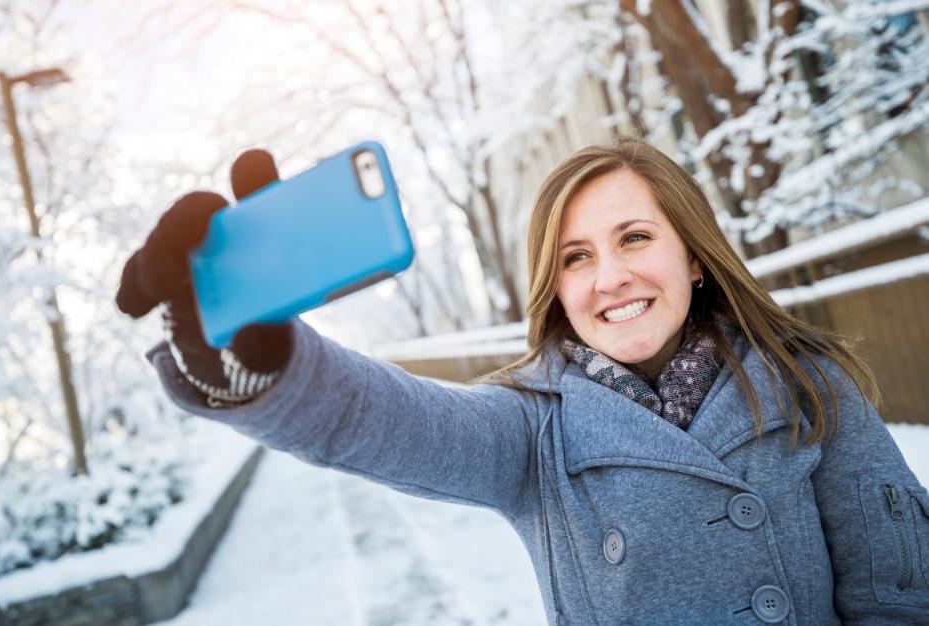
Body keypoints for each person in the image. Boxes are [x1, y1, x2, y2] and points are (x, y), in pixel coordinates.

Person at [116, 138, 929, 624]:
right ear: (555, 285)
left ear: (693, 256)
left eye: (635, 238)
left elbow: (900, 597)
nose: (608, 277)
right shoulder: (535, 430)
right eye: (576, 256)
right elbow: (376, 419)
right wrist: (261, 361)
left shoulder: (808, 387)